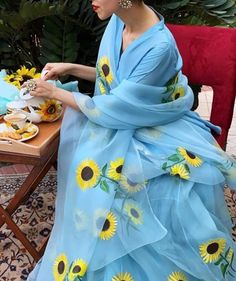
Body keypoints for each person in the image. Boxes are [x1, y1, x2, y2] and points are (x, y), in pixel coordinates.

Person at [27, 0, 236, 280]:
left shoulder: (159, 46)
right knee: (97, 178)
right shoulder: (118, 21)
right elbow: (116, 82)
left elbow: (116, 106)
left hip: (155, 125)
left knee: (125, 187)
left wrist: (55, 93)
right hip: (123, 117)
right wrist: (71, 68)